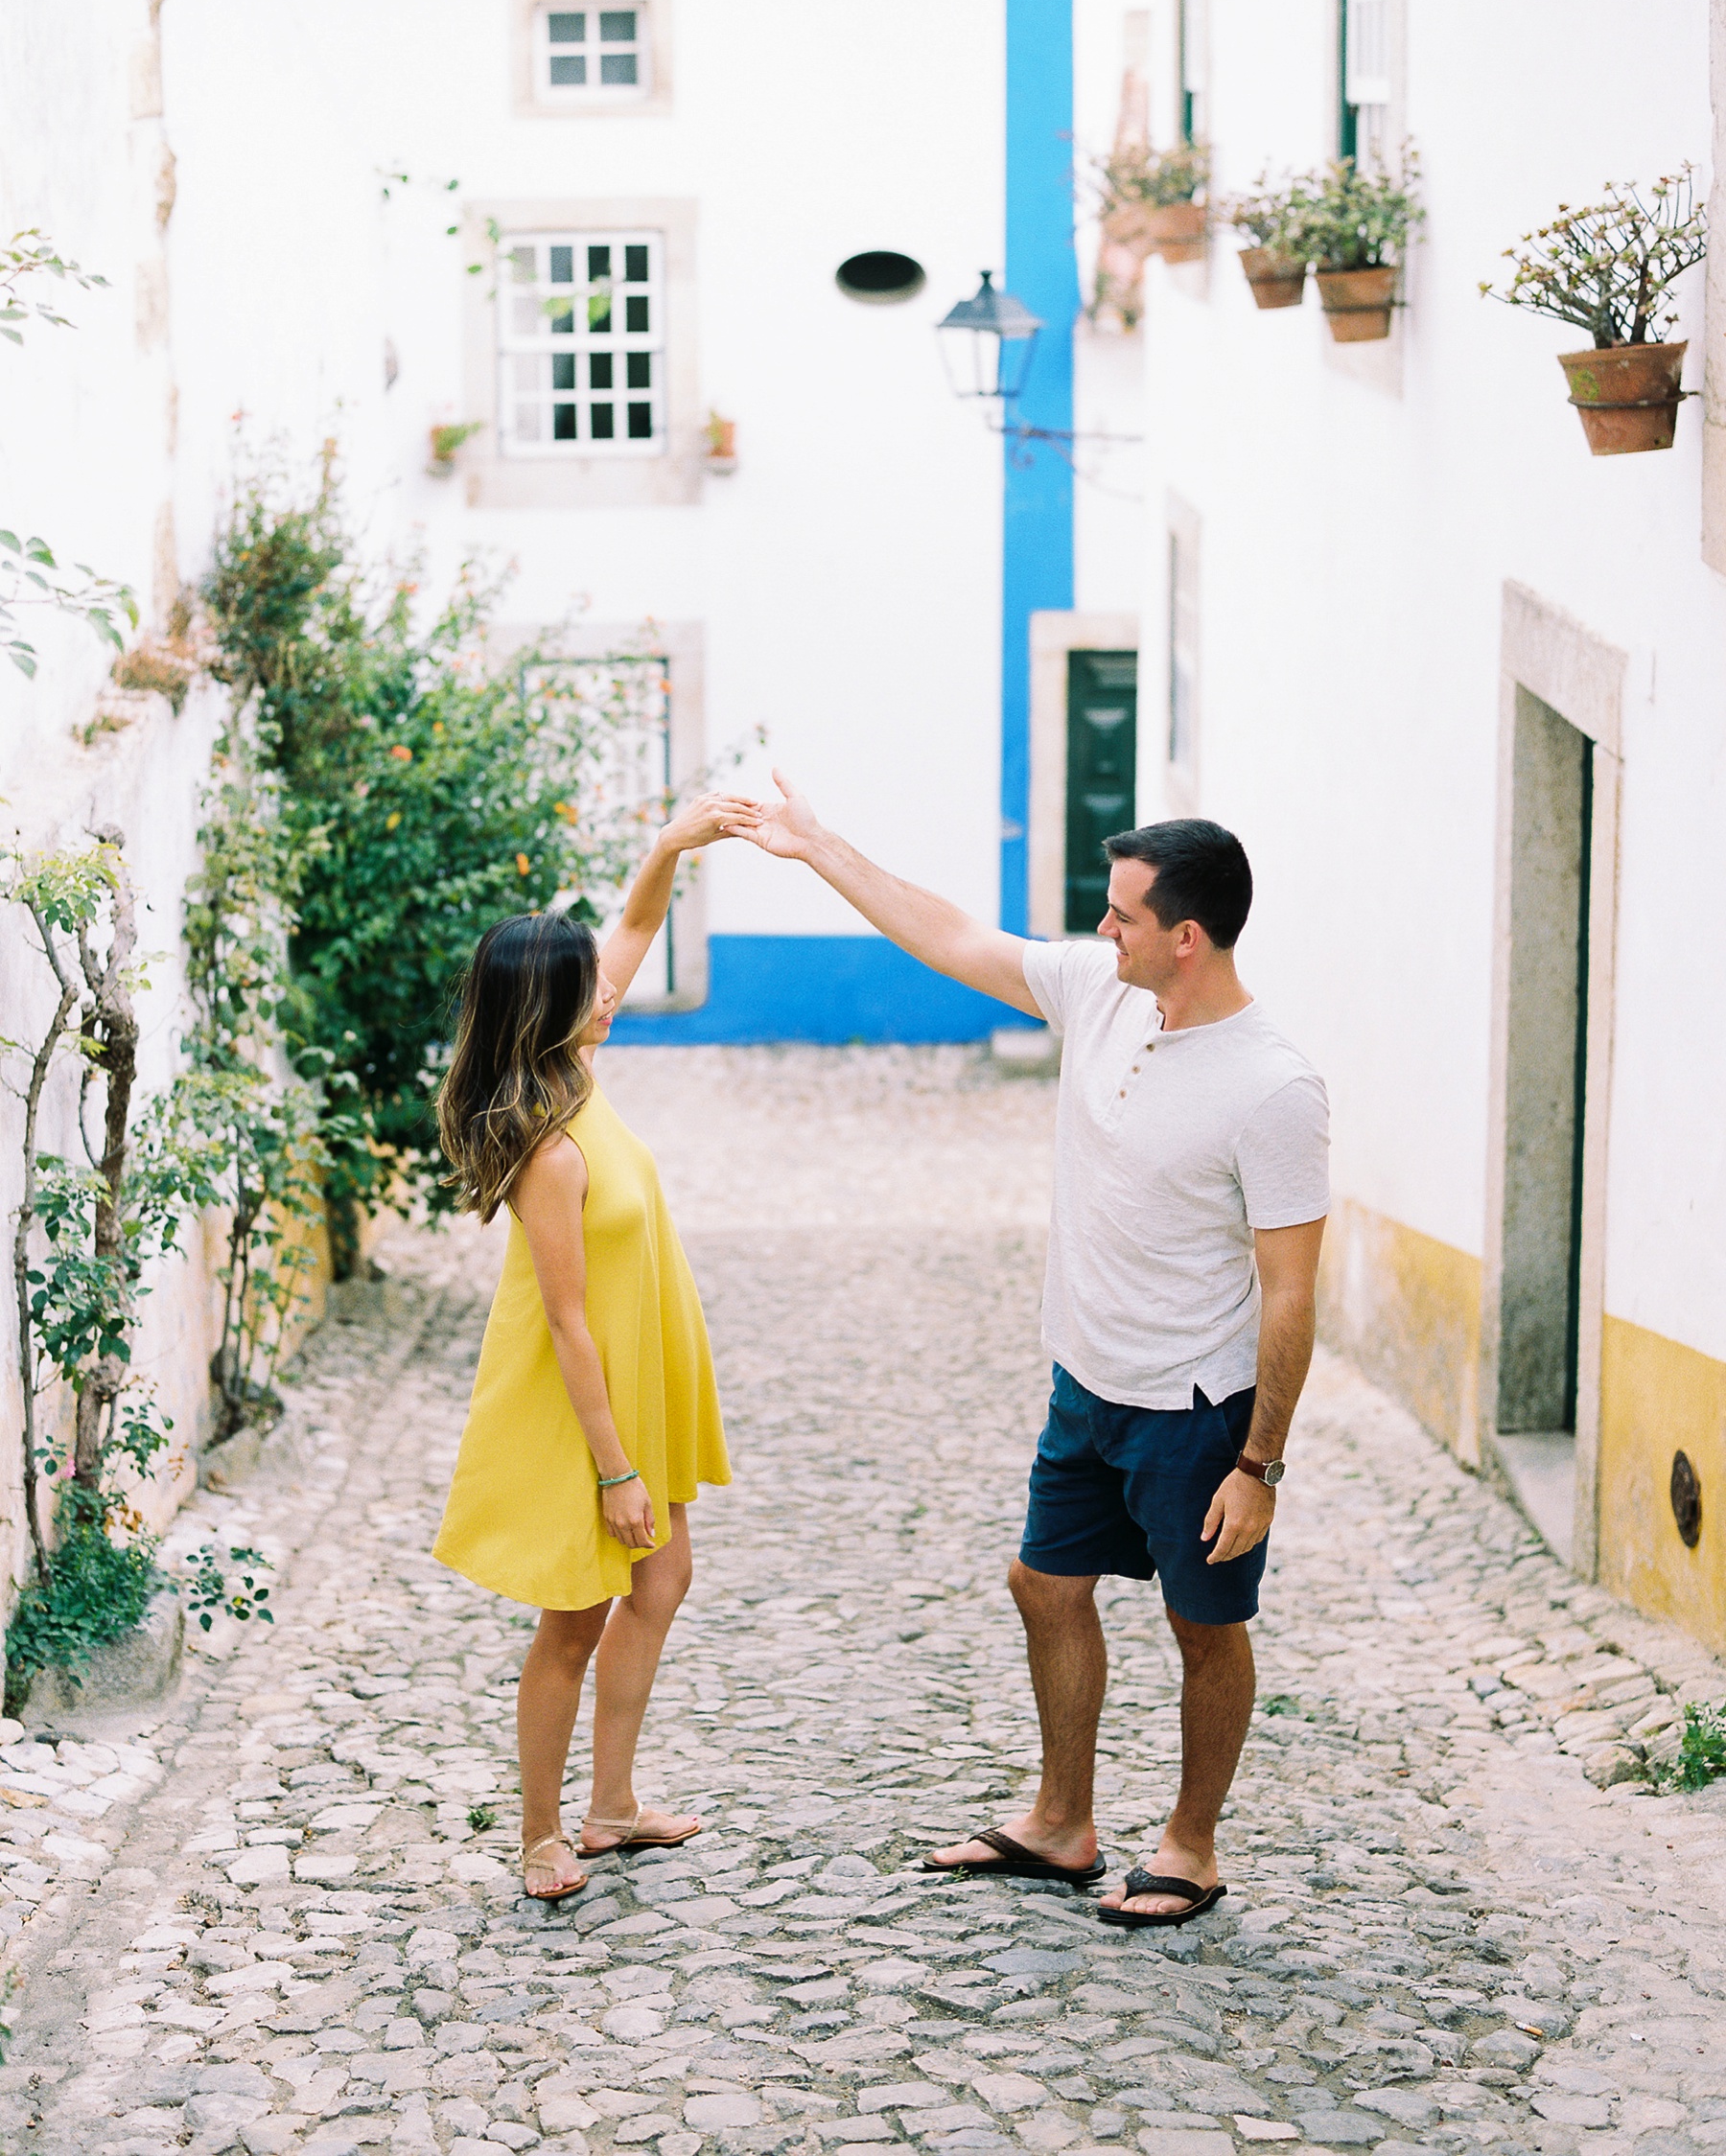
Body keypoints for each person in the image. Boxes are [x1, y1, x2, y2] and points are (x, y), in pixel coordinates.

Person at [725, 780, 1328, 1927]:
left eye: (1123, 917)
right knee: (1043, 1583)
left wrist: (1260, 1467)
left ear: (1184, 938)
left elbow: (1292, 1294)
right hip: (1086, 1381)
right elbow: (951, 933)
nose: (1102, 931)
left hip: (1197, 1407)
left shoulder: (1273, 1086)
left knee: (1205, 1628)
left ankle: (1191, 1847)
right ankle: (1063, 1824)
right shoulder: (1101, 996)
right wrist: (816, 848)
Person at [433, 796, 754, 1900]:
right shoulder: (549, 1149)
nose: (612, 992)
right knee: (570, 1623)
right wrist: (615, 1468)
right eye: (592, 990)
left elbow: (631, 927)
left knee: (662, 1582)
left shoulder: (577, 1074)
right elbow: (566, 1323)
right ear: (550, 1011)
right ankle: (538, 1835)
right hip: (582, 1411)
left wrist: (671, 845)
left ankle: (612, 1807)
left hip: (632, 1384)